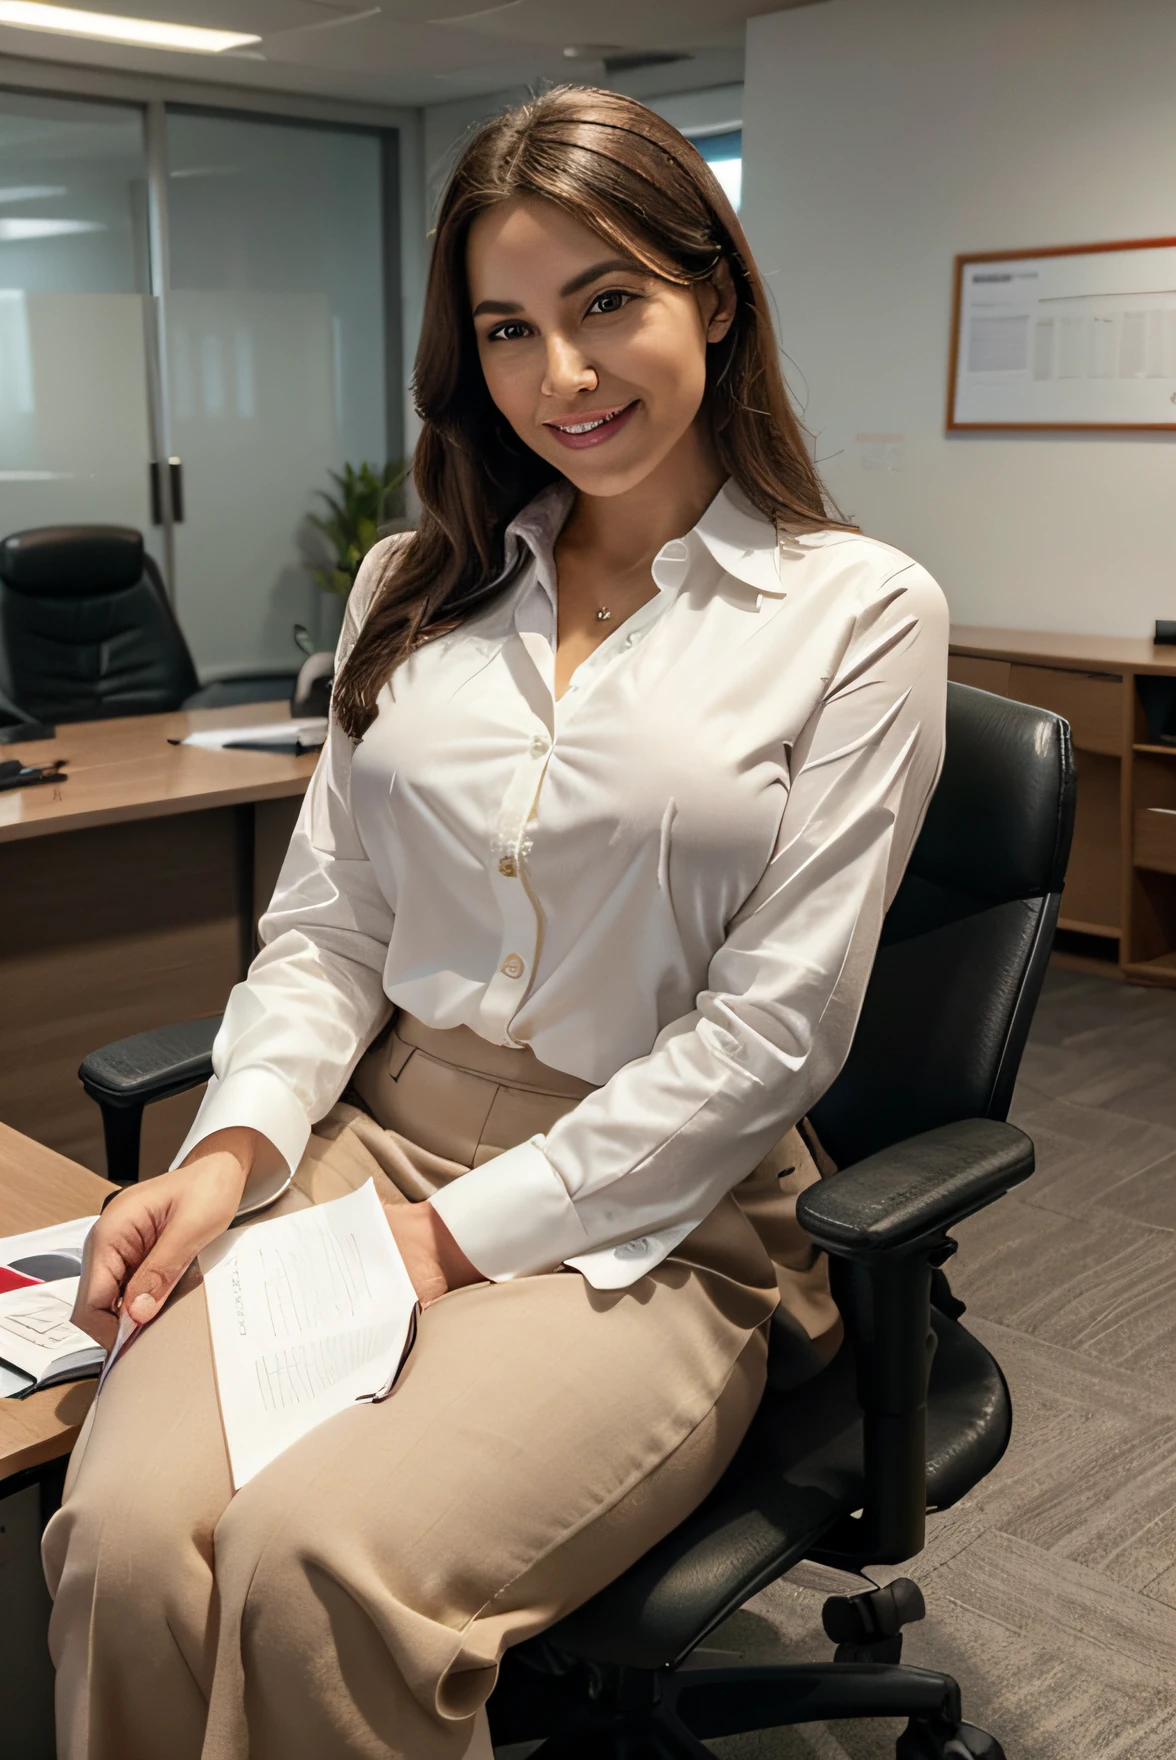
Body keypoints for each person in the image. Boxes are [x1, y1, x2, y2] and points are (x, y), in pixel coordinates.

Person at [43, 86, 948, 1760]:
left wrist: (456, 1245)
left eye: (608, 302)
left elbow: (775, 1036)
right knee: (124, 1546)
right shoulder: (412, 584)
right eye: (509, 329)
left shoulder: (858, 612)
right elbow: (322, 931)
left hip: (656, 1207)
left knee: (318, 1568)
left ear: (717, 298)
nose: (564, 378)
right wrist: (227, 1157)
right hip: (367, 1152)